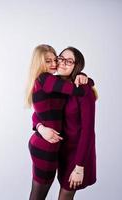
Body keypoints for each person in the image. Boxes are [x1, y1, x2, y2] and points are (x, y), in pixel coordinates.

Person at [25, 44, 88, 200]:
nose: (54, 64)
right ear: (39, 62)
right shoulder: (45, 79)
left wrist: (39, 127)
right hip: (45, 146)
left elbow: (37, 114)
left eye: (55, 59)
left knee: (39, 191)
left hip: (46, 143)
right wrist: (87, 80)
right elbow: (78, 90)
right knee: (38, 194)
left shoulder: (52, 81)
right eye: (48, 61)